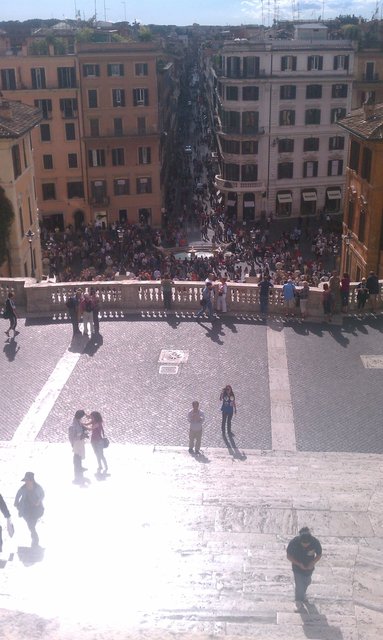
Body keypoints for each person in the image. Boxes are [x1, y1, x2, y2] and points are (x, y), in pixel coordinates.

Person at [287, 527, 322, 604]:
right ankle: (299, 601)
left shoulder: (315, 542)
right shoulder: (294, 542)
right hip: (297, 566)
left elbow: (319, 554)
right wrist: (298, 564)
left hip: (309, 567)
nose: (305, 545)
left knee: (307, 582)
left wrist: (312, 563)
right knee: (299, 583)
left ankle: (302, 594)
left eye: (307, 544)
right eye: (303, 544)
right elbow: (288, 556)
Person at [14, 472, 44, 547]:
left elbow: (43, 494)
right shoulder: (23, 488)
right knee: (30, 525)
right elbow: (18, 495)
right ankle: (35, 540)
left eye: (27, 480)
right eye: (25, 480)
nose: (26, 482)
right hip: (25, 509)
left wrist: (39, 501)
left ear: (32, 480)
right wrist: (16, 503)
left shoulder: (37, 487)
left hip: (36, 509)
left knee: (31, 525)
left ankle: (35, 540)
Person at [68, 409, 88, 485]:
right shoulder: (73, 425)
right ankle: (77, 468)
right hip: (76, 443)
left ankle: (80, 467)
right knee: (77, 455)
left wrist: (84, 433)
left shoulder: (78, 422)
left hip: (80, 442)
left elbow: (81, 430)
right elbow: (72, 437)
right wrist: (81, 436)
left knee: (79, 455)